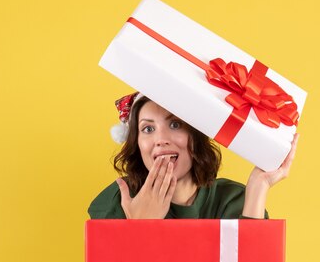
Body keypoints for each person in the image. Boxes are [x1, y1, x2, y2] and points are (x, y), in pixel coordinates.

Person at [88, 93, 299, 219]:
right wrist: (140, 228)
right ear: (136, 143)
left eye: (175, 124)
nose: (161, 139)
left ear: (195, 136)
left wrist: (259, 187)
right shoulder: (119, 200)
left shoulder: (232, 201)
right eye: (148, 129)